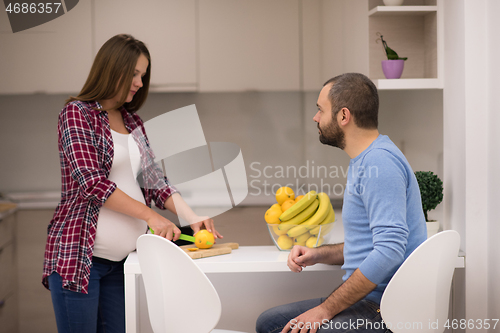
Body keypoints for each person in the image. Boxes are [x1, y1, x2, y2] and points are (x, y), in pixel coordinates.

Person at [42, 34, 222, 333]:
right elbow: (92, 183)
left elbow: (154, 183)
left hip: (123, 263)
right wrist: (150, 215)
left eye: (143, 74)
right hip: (81, 260)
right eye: (134, 73)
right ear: (112, 68)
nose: (140, 82)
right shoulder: (77, 114)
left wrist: (192, 216)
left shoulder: (133, 121)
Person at [256, 73, 427, 333]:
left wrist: (325, 310)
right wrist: (319, 253)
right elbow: (371, 246)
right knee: (269, 323)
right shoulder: (365, 160)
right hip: (369, 302)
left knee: (278, 327)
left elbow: (390, 249)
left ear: (343, 116)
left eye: (320, 110)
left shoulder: (378, 162)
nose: (315, 118)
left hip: (384, 309)